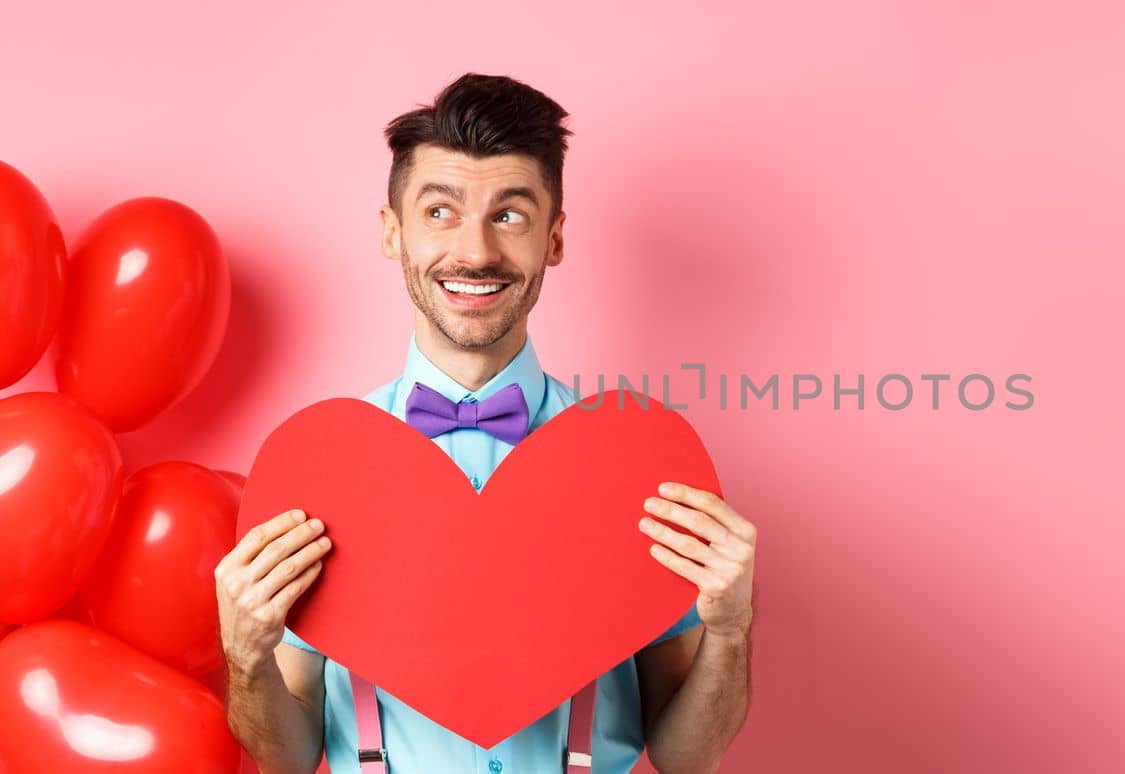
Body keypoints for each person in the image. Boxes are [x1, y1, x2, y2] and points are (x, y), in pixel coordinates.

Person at [214, 73, 755, 774]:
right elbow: (286, 758)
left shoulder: (637, 464)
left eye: (510, 215)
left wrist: (731, 631)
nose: (474, 252)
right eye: (440, 212)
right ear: (391, 232)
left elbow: (689, 757)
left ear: (553, 239)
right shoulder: (318, 466)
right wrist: (245, 658)